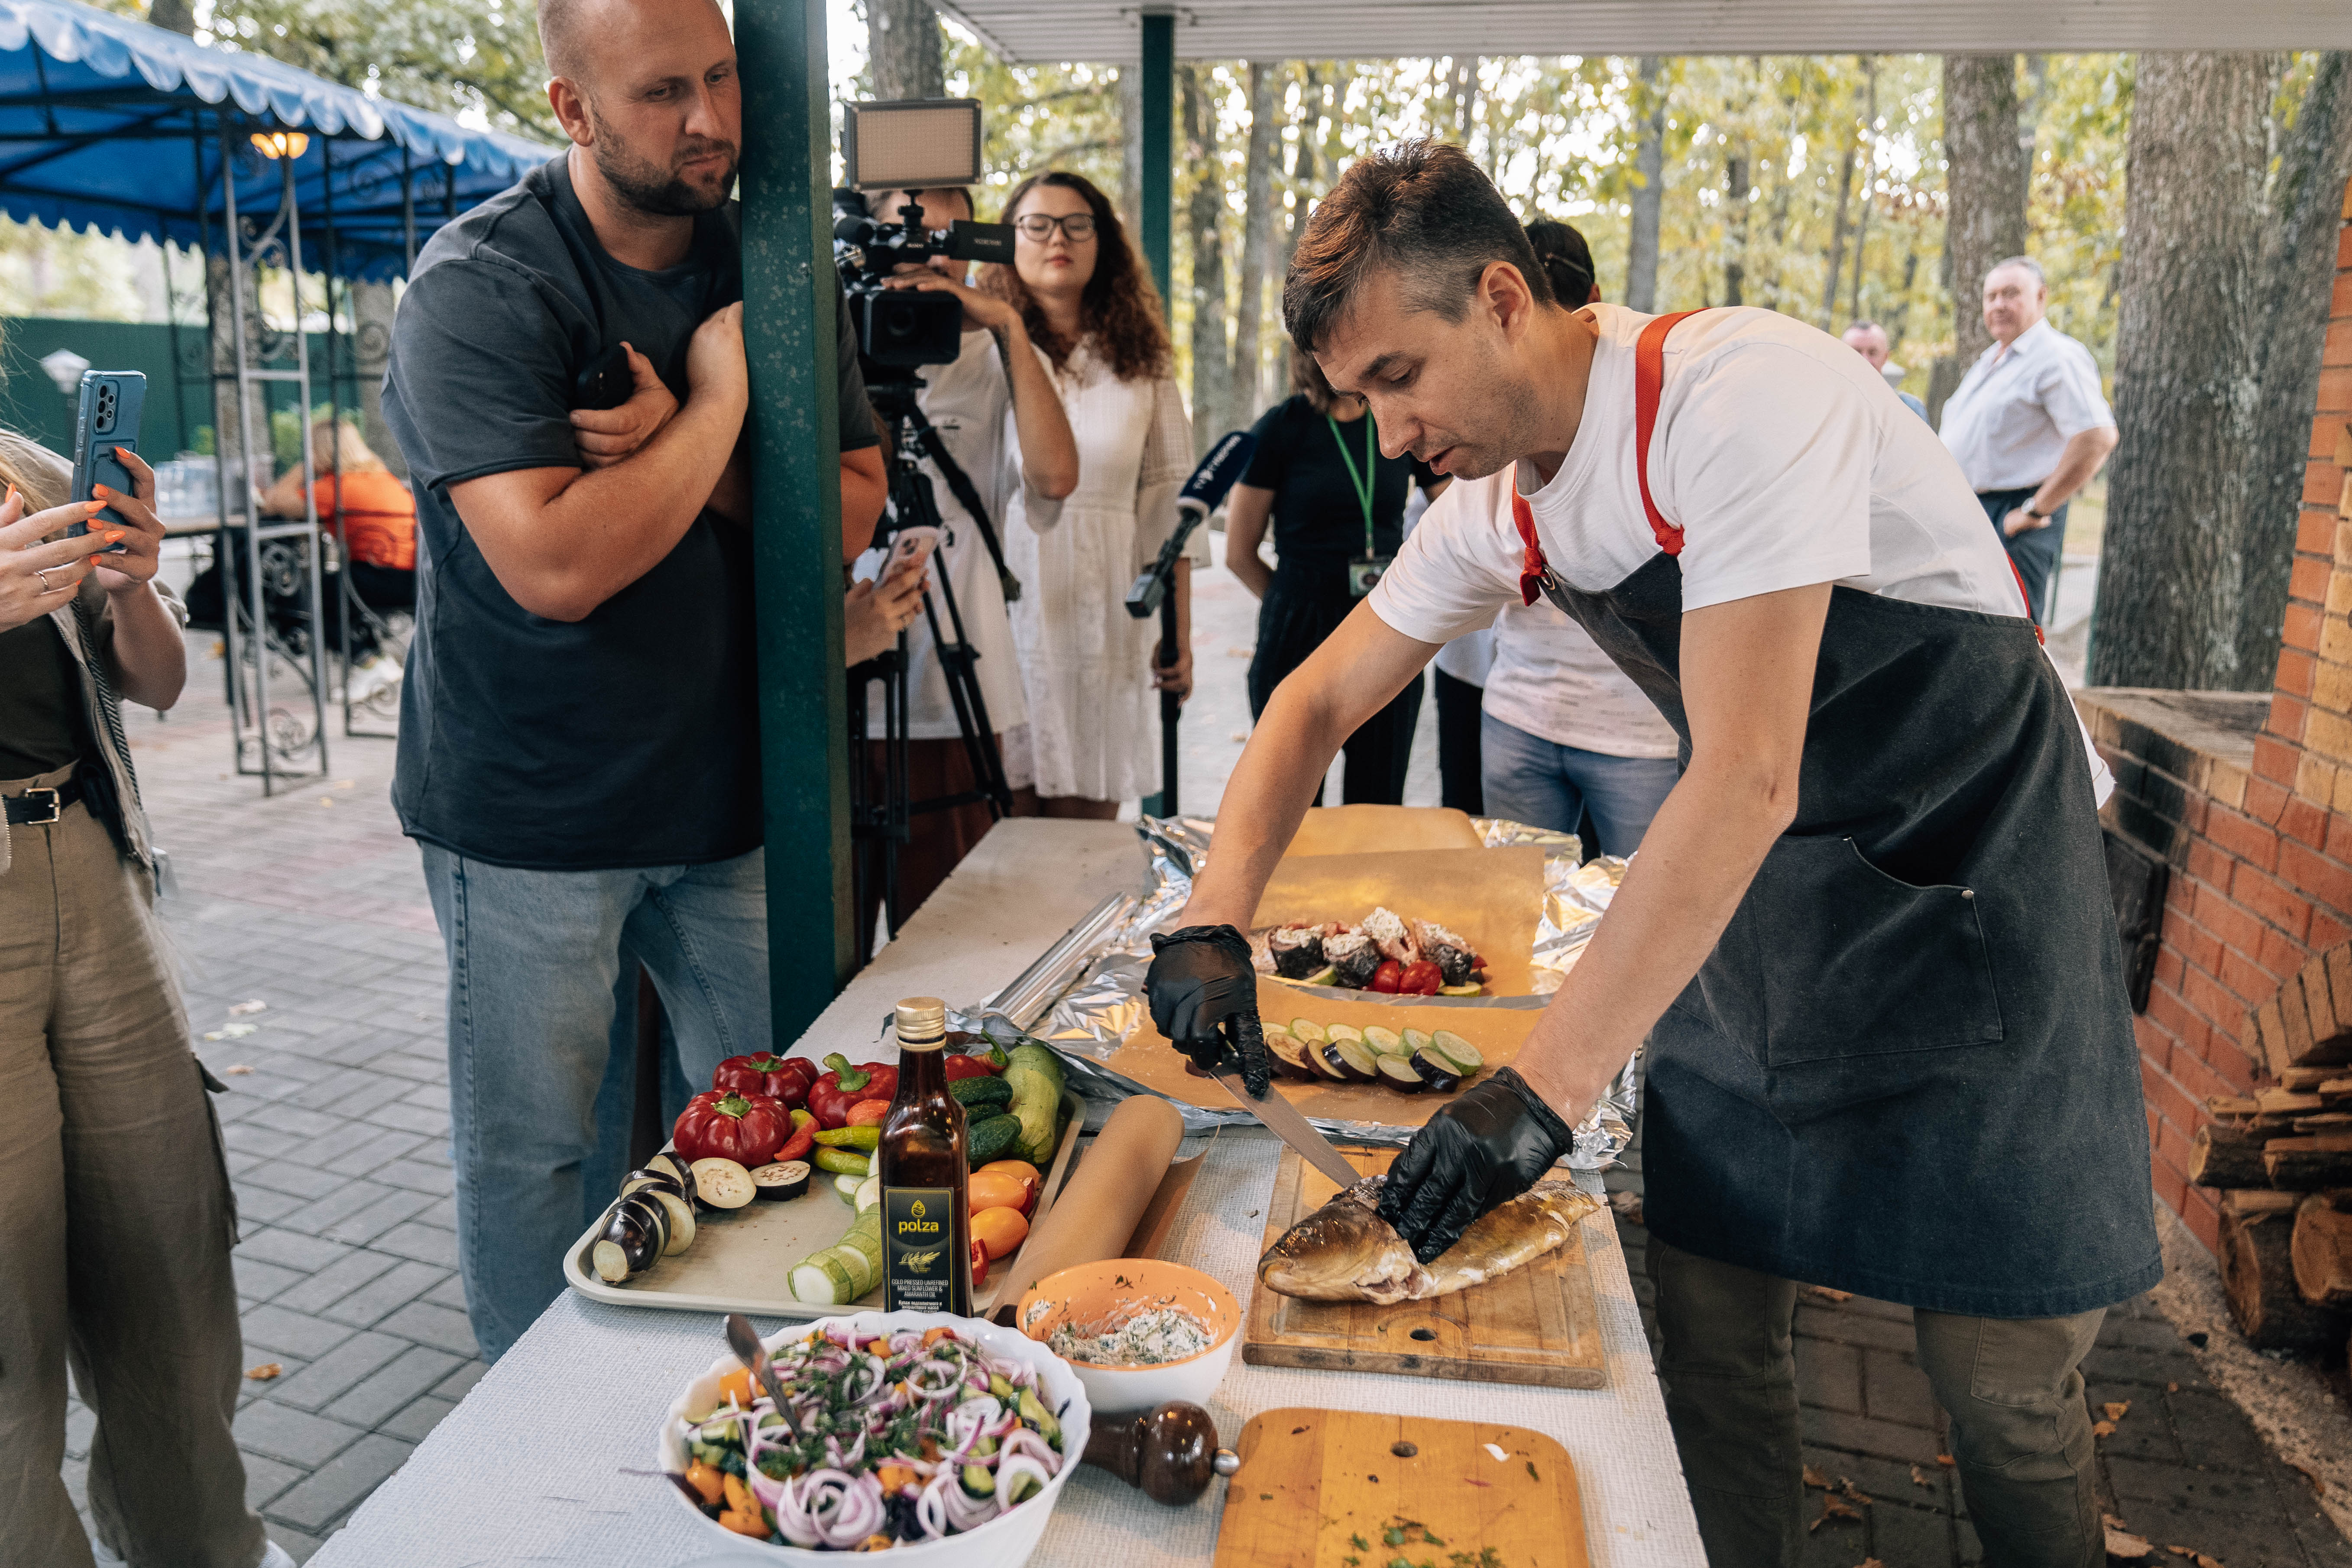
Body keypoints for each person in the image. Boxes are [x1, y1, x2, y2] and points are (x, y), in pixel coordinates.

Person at [1144, 142, 2150, 1568]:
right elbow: (1312, 701)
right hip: (1760, 897)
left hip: (1975, 889)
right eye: (1355, 398)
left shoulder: (1742, 397)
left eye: (1395, 378)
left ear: (1502, 297)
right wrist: (1211, 920)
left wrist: (1542, 1089)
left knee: (2002, 1387)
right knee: (1715, 1333)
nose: (1386, 431)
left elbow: (1742, 770)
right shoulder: (1494, 501)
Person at [379, 0, 887, 1362]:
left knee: (787, 1126)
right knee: (541, 1158)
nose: (714, 119)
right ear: (572, 108)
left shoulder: (775, 261)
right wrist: (724, 406)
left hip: (731, 806)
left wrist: (683, 444)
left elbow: (847, 512)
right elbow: (555, 562)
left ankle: (773, 1387)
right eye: (665, 91)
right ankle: (533, 1449)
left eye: (722, 76)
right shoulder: (483, 285)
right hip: (530, 814)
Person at [0, 429, 294, 1568]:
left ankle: (205, 1545)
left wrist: (130, 590)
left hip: (86, 854)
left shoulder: (28, 465)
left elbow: (157, 683)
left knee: (169, 1247)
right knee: (10, 1320)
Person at [852, 183, 1079, 928]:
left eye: (947, 247)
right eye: (910, 241)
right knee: (830, 948)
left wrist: (1010, 328)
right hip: (841, 686)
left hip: (951, 689)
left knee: (949, 948)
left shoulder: (988, 352)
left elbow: (1054, 478)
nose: (928, 264)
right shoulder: (831, 340)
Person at [979, 171, 1196, 819]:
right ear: (1007, 240)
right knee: (1003, 822)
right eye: (1036, 224)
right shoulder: (980, 352)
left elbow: (1168, 507)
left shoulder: (1142, 363)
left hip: (1107, 610)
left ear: (1103, 241)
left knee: (1086, 837)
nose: (1057, 239)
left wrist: (1178, 634)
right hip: (1008, 600)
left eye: (1078, 224)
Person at [1471, 217, 1678, 854]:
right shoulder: (1487, 444)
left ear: (1591, 305)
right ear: (1503, 310)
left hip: (1637, 734)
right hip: (1519, 711)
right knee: (1521, 912)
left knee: (1644, 918)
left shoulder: (1661, 420)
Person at [1224, 352, 1442, 804]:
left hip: (1384, 626)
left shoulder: (1394, 422)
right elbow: (1238, 553)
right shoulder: (1280, 429)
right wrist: (1292, 601)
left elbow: (1455, 511)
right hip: (1297, 632)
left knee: (1378, 802)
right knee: (1292, 808)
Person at [1938, 257, 2118, 626]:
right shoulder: (1993, 359)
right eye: (1991, 297)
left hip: (2014, 517)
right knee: (1965, 635)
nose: (1999, 305)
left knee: (2010, 637)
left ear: (2041, 297)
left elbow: (2097, 437)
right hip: (1972, 513)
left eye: (2011, 294)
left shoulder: (2056, 357)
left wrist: (2035, 510)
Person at [259, 417, 417, 695]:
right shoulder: (383, 478)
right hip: (411, 579)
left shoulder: (335, 488)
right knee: (331, 588)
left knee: (305, 597)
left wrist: (302, 466)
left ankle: (368, 662)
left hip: (380, 579)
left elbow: (272, 503)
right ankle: (375, 660)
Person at [1841, 320, 1929, 421]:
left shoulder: (1911, 409)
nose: (1865, 360)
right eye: (1856, 352)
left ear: (1885, 357)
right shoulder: (1825, 406)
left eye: (1873, 353)